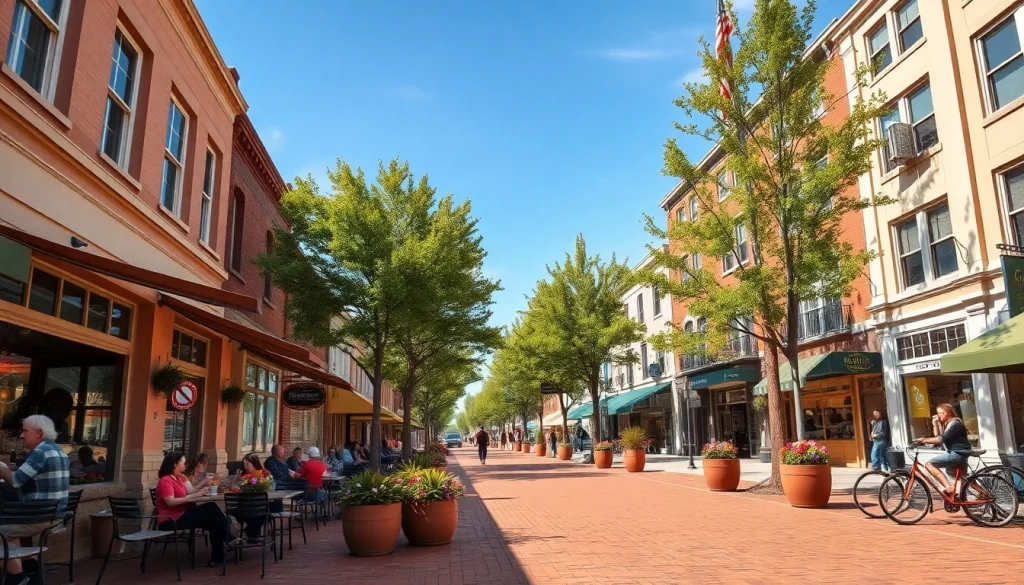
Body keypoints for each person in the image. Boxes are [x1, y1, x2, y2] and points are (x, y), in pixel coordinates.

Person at [0, 415, 70, 585]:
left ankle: (18, 579)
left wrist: (1, 469)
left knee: (2, 531)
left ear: (39, 433)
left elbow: (16, 481)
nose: (21, 435)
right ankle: (32, 569)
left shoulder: (40, 452)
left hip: (39, 517)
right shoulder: (57, 450)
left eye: (25, 431)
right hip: (55, 515)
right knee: (11, 530)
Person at [154, 451, 230, 568]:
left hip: (183, 514)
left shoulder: (181, 477)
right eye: (183, 462)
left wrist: (203, 484)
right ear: (175, 464)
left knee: (213, 517)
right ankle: (229, 539)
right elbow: (171, 501)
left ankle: (218, 557)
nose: (185, 464)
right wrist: (196, 495)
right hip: (171, 520)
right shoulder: (166, 480)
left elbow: (191, 490)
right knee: (211, 511)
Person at [916, 403, 974, 494]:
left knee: (929, 465)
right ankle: (964, 499)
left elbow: (940, 439)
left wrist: (923, 440)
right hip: (959, 453)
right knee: (959, 480)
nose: (938, 415)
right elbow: (938, 435)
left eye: (940, 413)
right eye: (937, 413)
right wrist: (935, 424)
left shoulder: (955, 424)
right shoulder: (948, 424)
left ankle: (948, 488)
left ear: (949, 413)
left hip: (957, 453)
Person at [237, 453, 274, 539]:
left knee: (263, 511)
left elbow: (268, 488)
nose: (245, 466)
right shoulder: (243, 476)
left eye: (247, 464)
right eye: (244, 464)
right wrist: (237, 480)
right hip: (244, 508)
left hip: (260, 506)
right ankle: (253, 531)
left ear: (254, 463)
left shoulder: (265, 474)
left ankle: (252, 531)